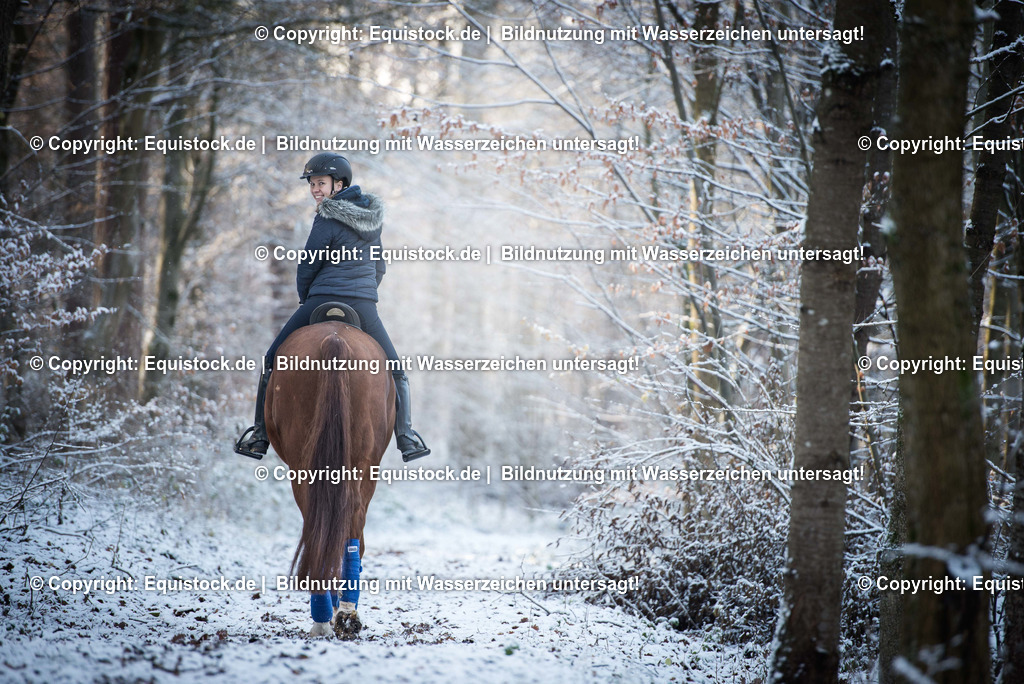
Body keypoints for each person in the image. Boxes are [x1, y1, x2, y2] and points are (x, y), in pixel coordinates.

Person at [235, 152, 430, 462]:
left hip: (321, 299)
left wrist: (306, 299)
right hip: (364, 306)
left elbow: (309, 263)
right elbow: (380, 268)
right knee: (396, 370)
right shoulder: (372, 220)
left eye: (320, 183)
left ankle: (259, 435)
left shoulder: (327, 214)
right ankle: (406, 436)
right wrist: (363, 294)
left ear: (339, 184)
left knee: (272, 359)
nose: (315, 189)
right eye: (312, 183)